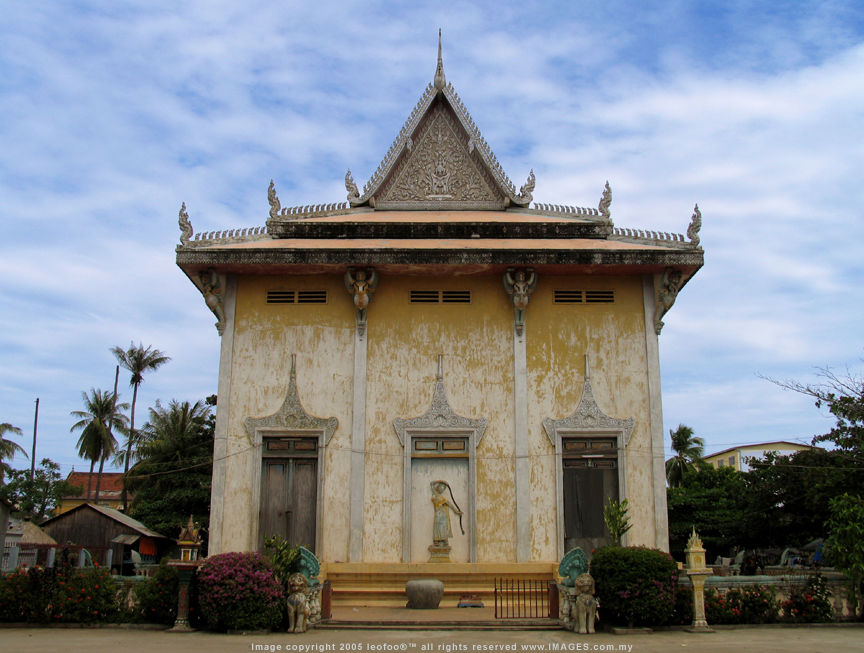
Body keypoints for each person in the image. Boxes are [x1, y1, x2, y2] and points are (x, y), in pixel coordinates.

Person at [431, 480, 462, 545]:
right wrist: (442, 481)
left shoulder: (442, 498)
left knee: (443, 527)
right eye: (441, 487)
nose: (442, 489)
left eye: (443, 488)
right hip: (438, 514)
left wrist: (456, 511)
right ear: (438, 487)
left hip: (443, 515)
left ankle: (444, 539)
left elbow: (450, 504)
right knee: (437, 527)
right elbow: (432, 484)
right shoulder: (435, 494)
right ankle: (436, 540)